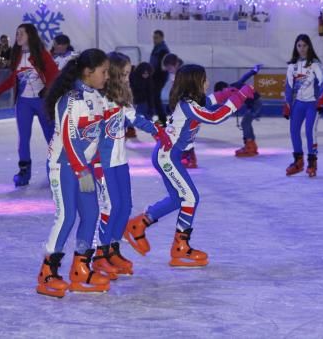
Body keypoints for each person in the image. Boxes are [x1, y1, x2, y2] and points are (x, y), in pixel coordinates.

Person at [123, 65, 254, 266]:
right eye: (205, 80)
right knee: (190, 198)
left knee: (178, 199)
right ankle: (180, 247)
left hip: (168, 155)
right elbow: (214, 116)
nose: (208, 83)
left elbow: (209, 102)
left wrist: (226, 93)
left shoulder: (192, 103)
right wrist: (239, 97)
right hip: (167, 156)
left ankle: (138, 225)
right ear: (195, 83)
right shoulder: (187, 105)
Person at [37, 49, 111, 297]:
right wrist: (82, 170)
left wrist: (95, 167)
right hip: (64, 167)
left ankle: (81, 268)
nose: (107, 76)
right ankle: (48, 271)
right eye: (104, 71)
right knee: (66, 216)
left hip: (84, 168)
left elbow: (95, 139)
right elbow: (70, 138)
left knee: (91, 214)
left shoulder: (97, 98)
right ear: (88, 72)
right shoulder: (70, 99)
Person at [92, 52, 169, 280]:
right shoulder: (98, 99)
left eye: (128, 74)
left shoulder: (122, 98)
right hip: (103, 163)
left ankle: (113, 249)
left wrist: (158, 131)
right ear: (113, 74)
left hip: (120, 161)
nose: (127, 79)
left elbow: (136, 119)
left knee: (125, 205)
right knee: (110, 206)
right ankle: (100, 255)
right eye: (124, 74)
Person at [0, 23, 59, 187]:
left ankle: (56, 167)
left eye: (21, 34)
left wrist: (48, 92)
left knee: (51, 136)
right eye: (17, 33)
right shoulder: (17, 55)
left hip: (41, 102)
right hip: (23, 103)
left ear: (30, 36)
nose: (17, 36)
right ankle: (24, 171)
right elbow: (13, 79)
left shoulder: (42, 54)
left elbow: (55, 76)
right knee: (23, 139)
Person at [283, 34, 323, 177]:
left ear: (309, 47)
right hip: (298, 104)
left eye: (304, 45)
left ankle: (312, 162)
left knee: (310, 132)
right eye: (299, 46)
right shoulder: (292, 66)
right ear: (296, 47)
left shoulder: (315, 64)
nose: (302, 49)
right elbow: (289, 87)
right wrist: (287, 105)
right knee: (294, 131)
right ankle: (298, 161)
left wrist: (320, 102)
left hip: (312, 105)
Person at [230, 65, 263, 157]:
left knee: (245, 123)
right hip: (254, 103)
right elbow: (245, 77)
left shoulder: (233, 91)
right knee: (246, 122)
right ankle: (251, 145)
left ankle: (249, 146)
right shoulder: (236, 85)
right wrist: (254, 70)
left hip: (255, 104)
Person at [149, 30, 170, 98]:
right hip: (155, 77)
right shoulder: (157, 48)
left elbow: (162, 67)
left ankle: (158, 109)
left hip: (159, 77)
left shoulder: (163, 50)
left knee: (155, 97)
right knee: (155, 97)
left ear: (162, 38)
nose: (154, 40)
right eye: (154, 38)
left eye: (156, 38)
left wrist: (153, 75)